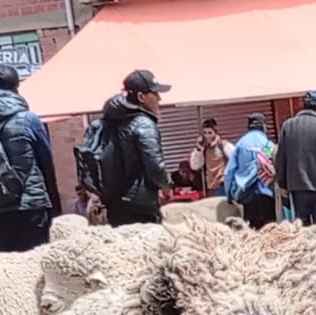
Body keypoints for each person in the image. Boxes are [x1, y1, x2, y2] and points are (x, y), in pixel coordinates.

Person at [0, 65, 58, 252]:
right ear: (16, 86)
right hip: (30, 204)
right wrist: (54, 206)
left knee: (7, 265)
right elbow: (46, 162)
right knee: (35, 262)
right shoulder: (28, 119)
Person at [99, 69, 173, 226]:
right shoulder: (144, 123)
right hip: (140, 207)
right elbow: (155, 167)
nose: (159, 98)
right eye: (154, 93)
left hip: (115, 204)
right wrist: (166, 187)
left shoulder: (112, 120)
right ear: (141, 97)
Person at [276, 91, 316, 224]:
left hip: (297, 186)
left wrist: (282, 183)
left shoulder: (288, 126)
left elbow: (280, 157)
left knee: (301, 226)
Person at [224, 113, 277, 228]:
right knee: (270, 229)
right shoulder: (267, 144)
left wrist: (229, 195)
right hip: (266, 193)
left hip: (246, 194)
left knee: (251, 230)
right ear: (263, 126)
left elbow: (229, 171)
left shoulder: (241, 144)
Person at [187, 118, 234, 196]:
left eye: (210, 133)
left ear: (215, 132)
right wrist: (198, 150)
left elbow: (237, 160)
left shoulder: (223, 145)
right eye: (205, 133)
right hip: (213, 187)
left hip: (224, 185)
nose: (207, 136)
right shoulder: (204, 149)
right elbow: (195, 166)